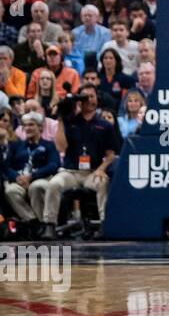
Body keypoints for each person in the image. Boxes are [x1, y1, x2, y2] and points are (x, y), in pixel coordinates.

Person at [43, 83, 121, 237]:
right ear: (79, 101)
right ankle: (49, 225)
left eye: (92, 96)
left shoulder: (105, 125)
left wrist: (101, 168)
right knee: (53, 184)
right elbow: (60, 147)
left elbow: (111, 154)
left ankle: (104, 224)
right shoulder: (71, 121)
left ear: (97, 99)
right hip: (71, 171)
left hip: (93, 171)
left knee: (102, 182)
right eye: (85, 97)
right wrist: (60, 119)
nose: (89, 100)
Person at [2, 111, 60, 233]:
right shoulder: (16, 145)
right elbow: (6, 167)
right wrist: (17, 177)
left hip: (41, 178)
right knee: (10, 190)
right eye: (25, 125)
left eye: (31, 125)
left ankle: (44, 224)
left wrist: (33, 176)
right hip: (20, 180)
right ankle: (34, 222)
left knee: (36, 187)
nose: (27, 128)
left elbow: (54, 165)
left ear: (40, 127)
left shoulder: (49, 145)